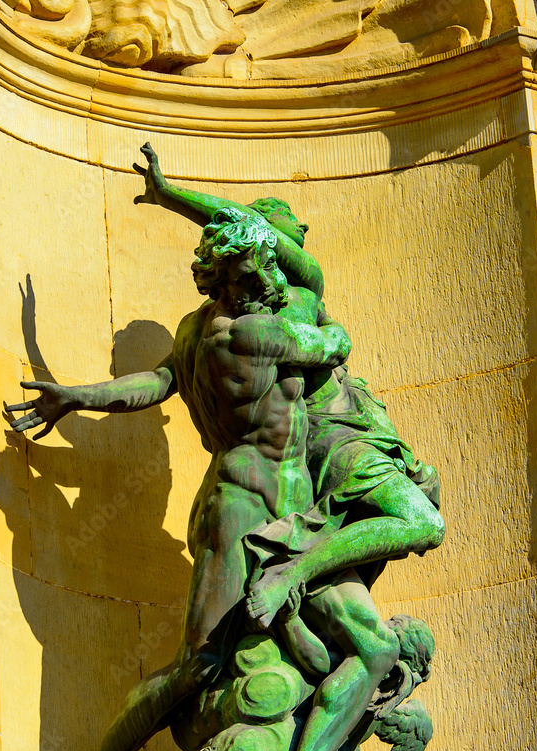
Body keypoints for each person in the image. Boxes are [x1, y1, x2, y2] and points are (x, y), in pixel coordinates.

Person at [5, 210, 351, 751]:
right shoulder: (256, 333)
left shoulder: (198, 332)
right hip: (246, 510)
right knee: (201, 664)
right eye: (254, 268)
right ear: (227, 276)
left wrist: (76, 394)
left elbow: (153, 384)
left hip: (277, 510)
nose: (267, 275)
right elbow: (335, 342)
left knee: (311, 645)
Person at [131, 143, 445, 630]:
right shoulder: (286, 303)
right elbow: (244, 228)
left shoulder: (274, 308)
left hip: (339, 438)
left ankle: (299, 572)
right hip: (335, 439)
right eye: (287, 231)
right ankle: (293, 571)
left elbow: (158, 380)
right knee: (424, 522)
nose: (298, 237)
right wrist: (171, 196)